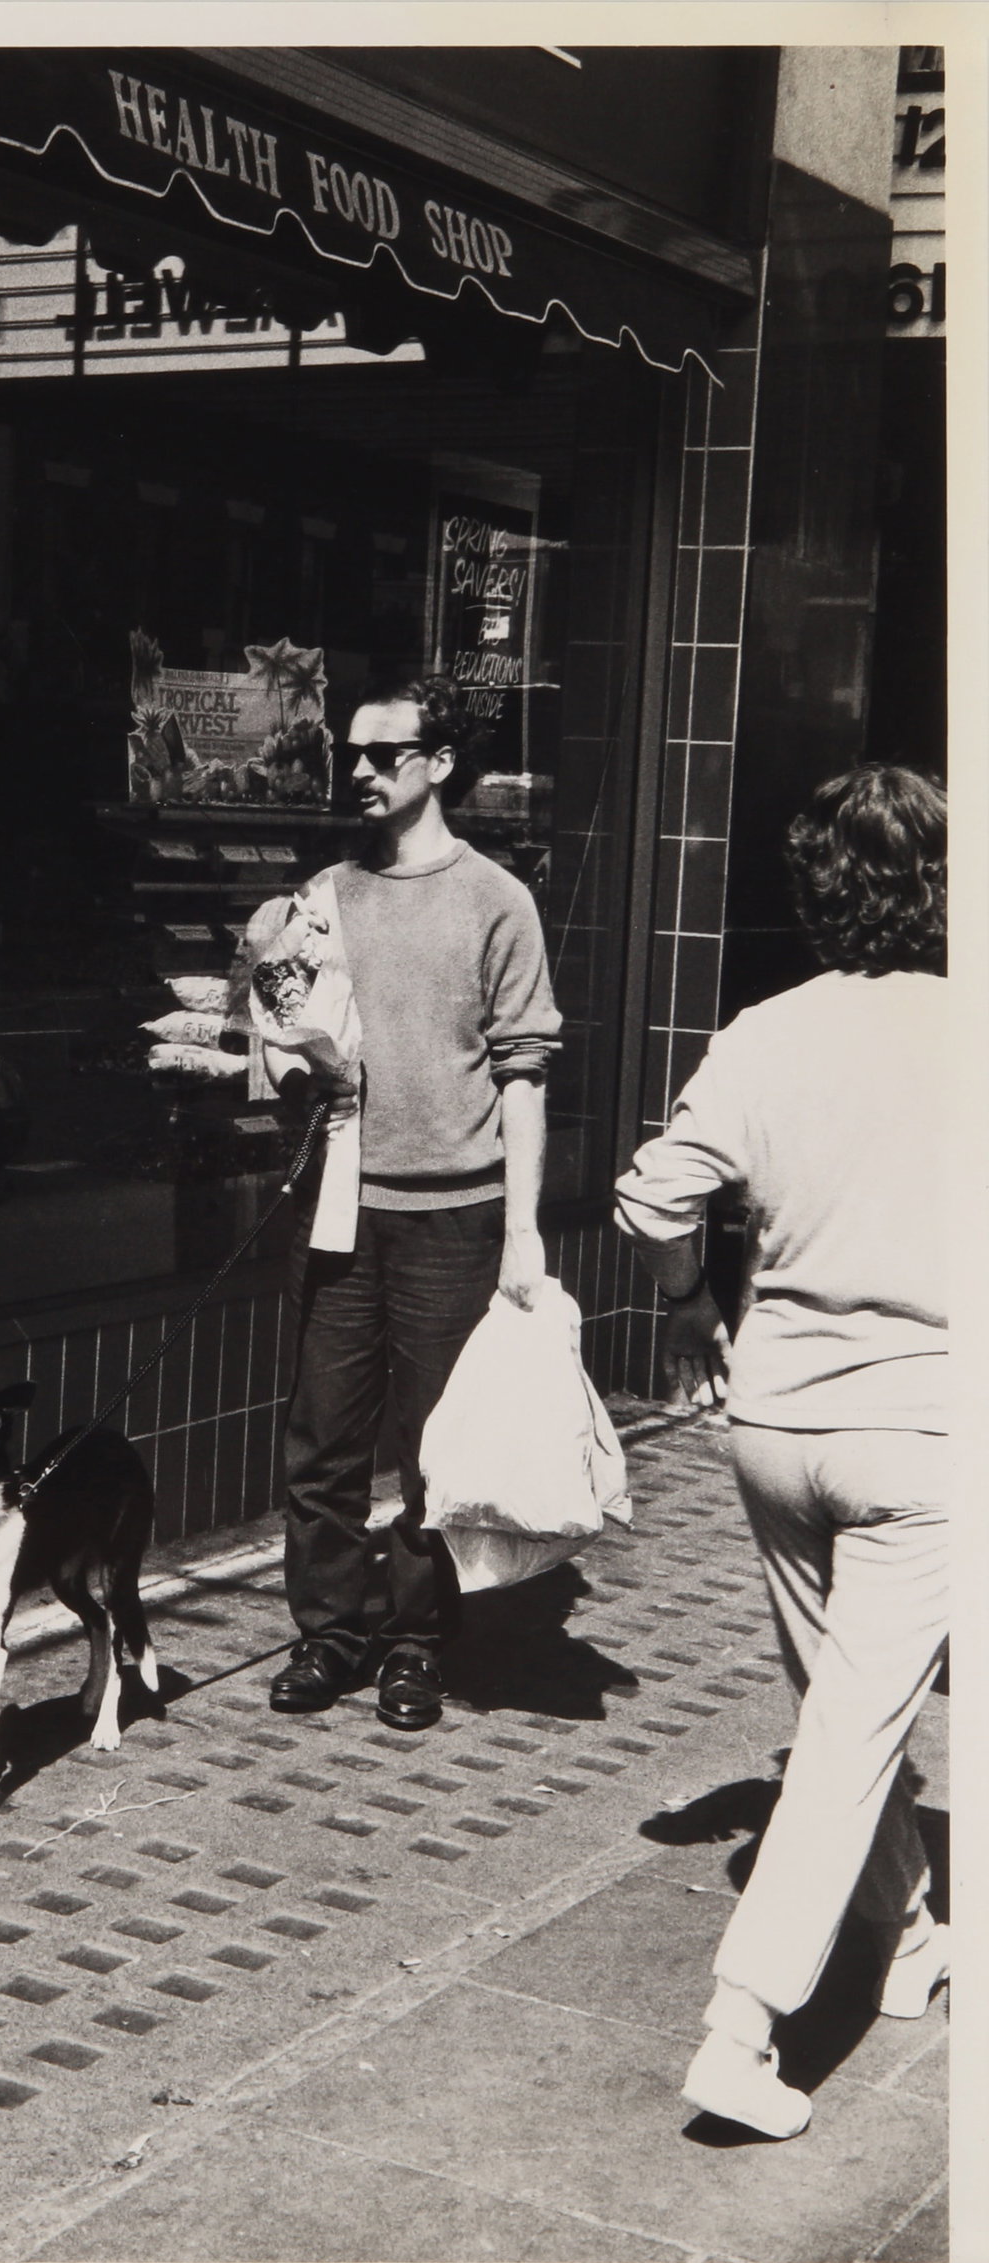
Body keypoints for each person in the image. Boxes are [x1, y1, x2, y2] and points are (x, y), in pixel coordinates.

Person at [614, 763, 948, 2139]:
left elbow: (650, 1202)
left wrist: (696, 1301)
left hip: (779, 1424)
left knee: (841, 1718)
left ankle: (916, 1936)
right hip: (926, 1434)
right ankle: (741, 2027)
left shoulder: (763, 1030)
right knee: (856, 1728)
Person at [258, 675, 561, 1732]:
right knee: (323, 1440)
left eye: (384, 754)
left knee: (433, 1447)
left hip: (452, 1217)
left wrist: (521, 1232)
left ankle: (413, 1644)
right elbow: (282, 1048)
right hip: (339, 1206)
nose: (360, 771)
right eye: (352, 754)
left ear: (439, 765)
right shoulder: (323, 897)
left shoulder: (495, 899)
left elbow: (525, 1071)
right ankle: (328, 1637)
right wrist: (292, 1048)